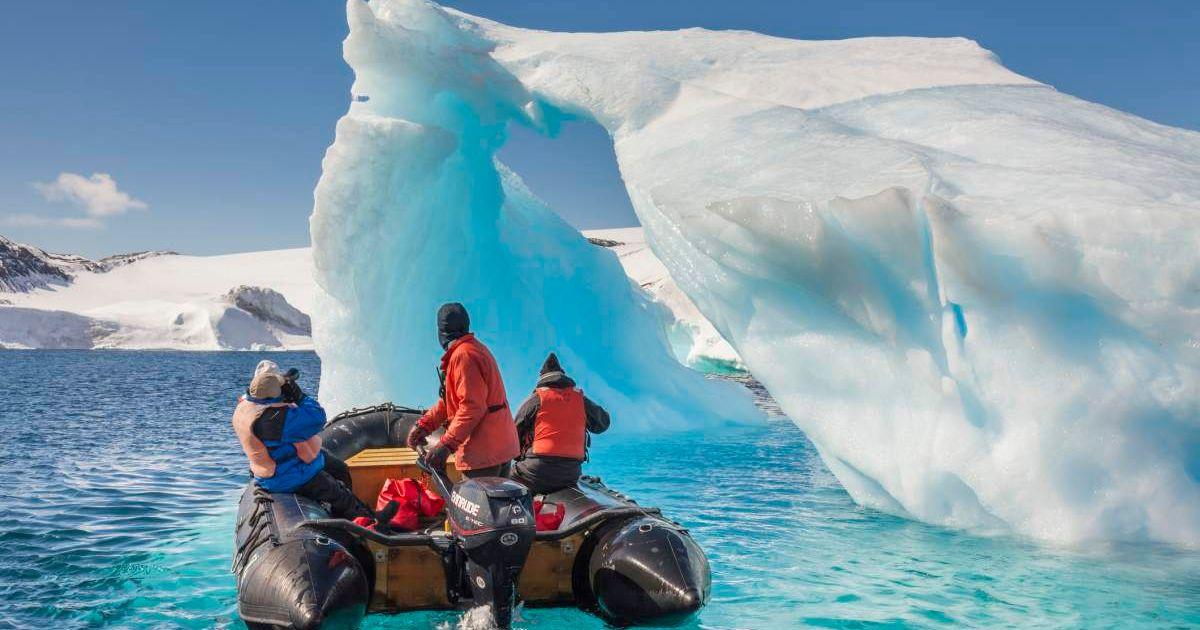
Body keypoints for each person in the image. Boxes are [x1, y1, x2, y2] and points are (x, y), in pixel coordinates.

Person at [232, 361, 389, 523]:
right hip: (286, 476)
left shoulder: (245, 408)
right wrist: (300, 396)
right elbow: (317, 417)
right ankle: (372, 522)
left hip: (270, 469)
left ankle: (351, 514)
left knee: (338, 468)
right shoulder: (275, 420)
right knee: (335, 491)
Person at [406, 303, 520, 478]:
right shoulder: (476, 348)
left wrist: (446, 445)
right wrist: (424, 425)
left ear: (441, 332)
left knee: (475, 497)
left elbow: (472, 406)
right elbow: (451, 401)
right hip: (500, 449)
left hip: (483, 455)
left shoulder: (463, 356)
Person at [510, 353, 610, 494]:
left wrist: (517, 457)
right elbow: (603, 424)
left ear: (542, 378)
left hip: (535, 472)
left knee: (504, 478)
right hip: (571, 474)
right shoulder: (580, 400)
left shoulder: (536, 399)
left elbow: (512, 435)